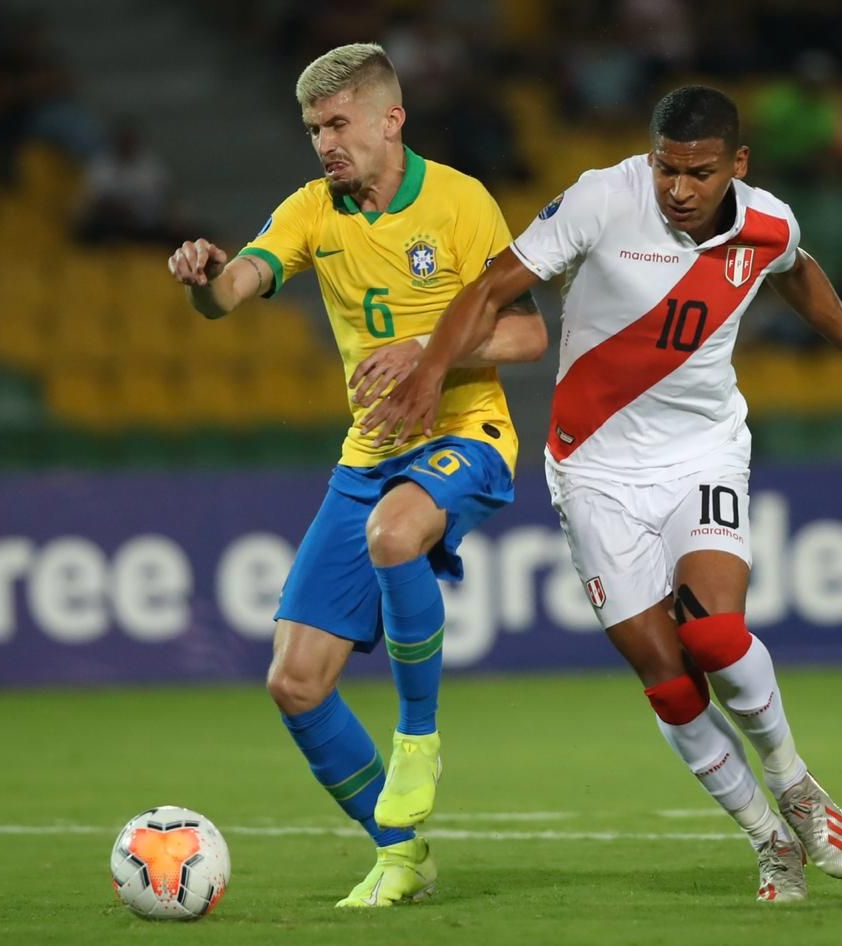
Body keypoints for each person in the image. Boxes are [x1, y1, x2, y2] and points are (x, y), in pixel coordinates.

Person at [364, 85, 842, 902]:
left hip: (702, 455)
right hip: (592, 470)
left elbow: (796, 274)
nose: (679, 189)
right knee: (666, 679)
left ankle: (795, 782)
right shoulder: (600, 199)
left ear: (737, 165)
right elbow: (489, 288)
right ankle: (769, 841)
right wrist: (429, 370)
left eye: (699, 173)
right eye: (667, 168)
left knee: (714, 634)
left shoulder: (768, 221)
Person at [166, 43, 546, 907]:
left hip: (468, 434)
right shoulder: (313, 210)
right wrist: (200, 280)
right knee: (294, 683)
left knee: (394, 534)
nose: (325, 143)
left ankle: (419, 739)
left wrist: (431, 351)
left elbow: (526, 335)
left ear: (390, 120)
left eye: (338, 124)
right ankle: (401, 851)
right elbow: (232, 291)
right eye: (313, 129)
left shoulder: (459, 202)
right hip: (369, 455)